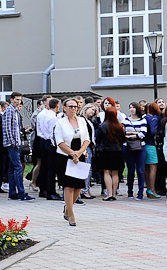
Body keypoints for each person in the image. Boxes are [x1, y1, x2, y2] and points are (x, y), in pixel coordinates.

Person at [54, 97, 90, 226]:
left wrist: (79, 153)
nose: (73, 109)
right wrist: (72, 153)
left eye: (75, 106)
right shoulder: (60, 122)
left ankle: (67, 208)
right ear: (64, 108)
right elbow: (59, 142)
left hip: (80, 154)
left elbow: (87, 139)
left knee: (78, 186)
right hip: (65, 155)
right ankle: (71, 214)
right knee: (68, 186)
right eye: (70, 106)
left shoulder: (82, 120)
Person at [3, 92, 33, 201]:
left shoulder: (15, 111)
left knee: (12, 168)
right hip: (13, 144)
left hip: (16, 142)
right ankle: (21, 192)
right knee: (18, 167)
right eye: (16, 99)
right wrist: (13, 142)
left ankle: (12, 192)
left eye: (20, 100)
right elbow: (7, 128)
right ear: (11, 99)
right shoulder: (9, 111)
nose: (18, 102)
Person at [95, 98, 124, 200]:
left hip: (105, 151)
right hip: (118, 151)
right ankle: (115, 194)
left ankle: (109, 194)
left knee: (106, 172)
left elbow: (97, 139)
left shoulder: (102, 126)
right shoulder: (120, 126)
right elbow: (123, 139)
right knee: (115, 173)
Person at [122, 101, 148, 200]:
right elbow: (123, 133)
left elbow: (143, 133)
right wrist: (135, 133)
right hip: (127, 147)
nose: (132, 109)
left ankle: (140, 193)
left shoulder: (143, 120)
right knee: (130, 170)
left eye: (133, 107)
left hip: (140, 147)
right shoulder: (125, 120)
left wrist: (131, 134)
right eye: (130, 107)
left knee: (140, 170)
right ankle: (130, 192)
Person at [35, 98, 59, 200]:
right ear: (57, 106)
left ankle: (43, 189)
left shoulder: (41, 114)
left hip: (42, 140)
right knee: (51, 168)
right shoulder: (53, 117)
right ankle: (50, 192)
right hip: (50, 142)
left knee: (44, 166)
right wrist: (55, 144)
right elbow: (52, 133)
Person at [144, 100, 162, 198]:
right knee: (153, 168)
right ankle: (152, 189)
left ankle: (148, 189)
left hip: (144, 145)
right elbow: (153, 131)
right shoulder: (153, 119)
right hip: (151, 145)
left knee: (146, 168)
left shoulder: (144, 118)